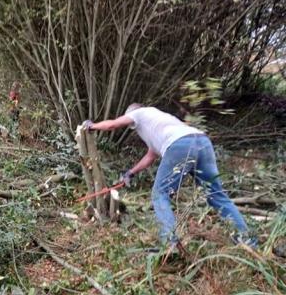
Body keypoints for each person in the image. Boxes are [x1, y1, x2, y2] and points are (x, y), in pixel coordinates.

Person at [87, 104, 256, 249]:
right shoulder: (160, 122)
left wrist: (92, 126)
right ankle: (247, 239)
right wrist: (130, 173)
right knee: (216, 195)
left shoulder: (139, 112)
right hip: (202, 142)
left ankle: (169, 243)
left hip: (180, 145)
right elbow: (150, 156)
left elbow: (112, 125)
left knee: (160, 194)